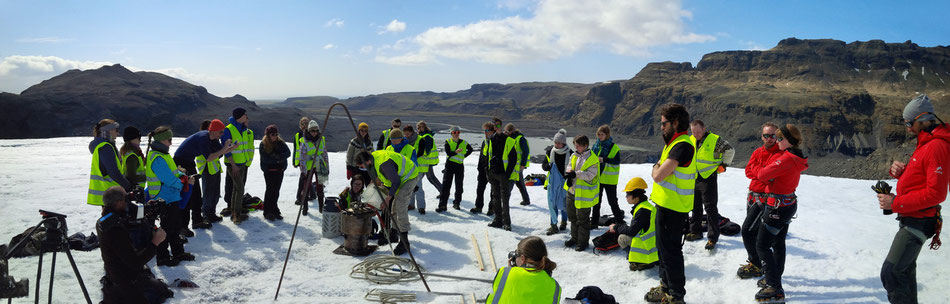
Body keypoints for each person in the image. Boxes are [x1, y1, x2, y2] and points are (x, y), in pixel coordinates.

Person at [877, 94, 949, 304]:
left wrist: (895, 203)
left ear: (923, 119)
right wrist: (903, 173)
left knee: (891, 273)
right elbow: (925, 177)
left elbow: (936, 193)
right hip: (915, 218)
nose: (908, 128)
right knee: (904, 272)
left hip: (919, 220)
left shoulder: (936, 146)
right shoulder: (926, 142)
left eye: (910, 123)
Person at [644, 103, 695, 304]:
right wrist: (657, 168)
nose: (661, 127)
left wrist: (656, 168)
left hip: (674, 208)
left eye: (664, 123)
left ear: (675, 123)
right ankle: (666, 287)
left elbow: (658, 175)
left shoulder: (682, 145)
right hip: (666, 205)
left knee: (671, 252)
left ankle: (675, 296)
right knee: (663, 249)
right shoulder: (673, 143)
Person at [753, 124, 808, 302]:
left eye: (779, 138)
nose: (776, 141)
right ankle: (774, 279)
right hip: (787, 204)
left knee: (762, 245)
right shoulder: (794, 157)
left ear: (788, 140)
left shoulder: (785, 159)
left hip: (777, 206)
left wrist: (762, 172)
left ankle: (774, 287)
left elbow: (761, 175)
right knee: (778, 243)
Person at [97, 186, 171, 303]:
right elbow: (134, 262)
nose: (128, 201)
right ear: (118, 203)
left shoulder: (107, 218)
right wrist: (155, 242)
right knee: (157, 293)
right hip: (125, 279)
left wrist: (146, 208)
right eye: (125, 199)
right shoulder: (114, 229)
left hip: (115, 272)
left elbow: (129, 214)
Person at [144, 126, 196, 267]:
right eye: (169, 140)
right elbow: (169, 179)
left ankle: (178, 252)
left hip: (170, 197)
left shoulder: (164, 155)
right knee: (166, 229)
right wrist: (184, 185)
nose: (171, 143)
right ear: (161, 140)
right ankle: (163, 257)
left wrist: (183, 176)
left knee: (174, 227)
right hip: (163, 199)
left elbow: (174, 173)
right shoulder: (157, 157)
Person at [738, 122, 781, 280]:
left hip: (764, 199)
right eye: (766, 135)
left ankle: (757, 263)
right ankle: (759, 263)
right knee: (755, 232)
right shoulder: (758, 152)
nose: (769, 138)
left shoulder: (780, 155)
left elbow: (770, 176)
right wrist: (761, 172)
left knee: (747, 230)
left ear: (777, 136)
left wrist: (761, 173)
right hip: (753, 196)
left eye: (772, 135)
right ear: (761, 136)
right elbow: (748, 171)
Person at [356, 150, 420, 255]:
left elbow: (396, 181)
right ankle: (394, 234)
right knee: (394, 206)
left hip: (409, 176)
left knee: (400, 206)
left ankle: (404, 242)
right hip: (399, 177)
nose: (362, 168)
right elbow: (381, 178)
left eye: (362, 165)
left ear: (367, 161)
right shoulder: (374, 159)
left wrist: (388, 197)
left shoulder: (384, 164)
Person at [685, 120, 735, 250]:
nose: (695, 134)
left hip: (708, 178)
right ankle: (695, 232)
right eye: (693, 131)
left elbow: (730, 150)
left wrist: (723, 165)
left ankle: (712, 238)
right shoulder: (690, 139)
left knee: (710, 208)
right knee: (695, 207)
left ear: (704, 129)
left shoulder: (715, 140)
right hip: (695, 177)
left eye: (698, 131)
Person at [173, 121, 231, 230]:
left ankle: (197, 221)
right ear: (213, 131)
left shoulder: (212, 138)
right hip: (181, 163)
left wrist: (231, 147)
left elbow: (219, 153)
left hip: (189, 162)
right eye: (221, 132)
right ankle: (184, 226)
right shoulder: (203, 137)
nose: (222, 134)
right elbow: (209, 158)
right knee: (189, 193)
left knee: (195, 194)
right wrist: (224, 148)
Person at [486, 236, 561, 303]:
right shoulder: (555, 287)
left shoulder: (505, 273)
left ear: (522, 258)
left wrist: (510, 271)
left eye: (516, 255)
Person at [609, 177, 658, 271]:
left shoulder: (642, 211)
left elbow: (631, 231)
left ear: (636, 196)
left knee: (622, 238)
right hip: (655, 246)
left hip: (648, 248)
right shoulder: (647, 206)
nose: (626, 197)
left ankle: (640, 261)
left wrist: (616, 227)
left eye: (628, 194)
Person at [563, 134, 600, 251]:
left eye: (578, 146)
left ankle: (583, 242)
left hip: (584, 195)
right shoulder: (574, 155)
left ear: (585, 146)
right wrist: (569, 176)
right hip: (572, 192)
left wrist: (576, 174)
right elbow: (569, 166)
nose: (576, 148)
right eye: (575, 145)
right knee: (573, 218)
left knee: (583, 220)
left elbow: (590, 175)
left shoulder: (592, 159)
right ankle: (574, 238)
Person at [89, 119, 132, 206]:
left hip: (109, 193)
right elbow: (113, 172)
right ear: (109, 130)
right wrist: (128, 186)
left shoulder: (103, 146)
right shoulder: (106, 147)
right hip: (113, 195)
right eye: (116, 130)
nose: (118, 133)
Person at [222, 107, 254, 224]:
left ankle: (234, 211)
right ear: (240, 116)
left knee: (236, 188)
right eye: (245, 114)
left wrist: (245, 162)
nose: (246, 116)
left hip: (242, 164)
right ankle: (236, 215)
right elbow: (226, 149)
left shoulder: (243, 129)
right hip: (233, 165)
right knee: (240, 188)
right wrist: (233, 165)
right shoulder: (228, 130)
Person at [199, 119, 232, 225]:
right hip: (206, 168)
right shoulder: (203, 140)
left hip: (214, 168)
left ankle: (211, 213)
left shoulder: (214, 140)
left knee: (215, 193)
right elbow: (211, 156)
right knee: (208, 193)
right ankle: (206, 215)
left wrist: (229, 148)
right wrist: (224, 149)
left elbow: (219, 152)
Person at [487, 123, 518, 231]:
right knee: (495, 197)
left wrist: (507, 174)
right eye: (495, 125)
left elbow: (513, 158)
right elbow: (487, 155)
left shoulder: (508, 140)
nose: (497, 127)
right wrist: (488, 171)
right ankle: (497, 220)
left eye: (499, 125)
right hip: (493, 173)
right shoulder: (491, 139)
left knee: (505, 199)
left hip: (503, 174)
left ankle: (506, 223)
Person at [591, 125, 623, 229]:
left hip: (610, 180)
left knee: (612, 202)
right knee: (596, 202)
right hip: (598, 178)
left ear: (607, 134)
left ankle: (620, 223)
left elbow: (617, 161)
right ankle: (594, 223)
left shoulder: (614, 147)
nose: (600, 136)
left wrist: (605, 160)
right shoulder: (596, 146)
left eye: (602, 134)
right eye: (599, 134)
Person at [541, 129, 572, 235]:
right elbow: (544, 165)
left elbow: (573, 167)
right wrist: (547, 167)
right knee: (552, 203)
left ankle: (564, 222)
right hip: (552, 183)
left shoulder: (570, 153)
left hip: (565, 182)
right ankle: (553, 225)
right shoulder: (550, 152)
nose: (557, 144)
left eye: (559, 142)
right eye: (555, 142)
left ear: (564, 143)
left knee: (564, 203)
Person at [438, 126, 473, 212]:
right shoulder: (448, 141)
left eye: (458, 132)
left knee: (459, 186)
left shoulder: (464, 142)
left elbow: (470, 149)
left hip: (459, 166)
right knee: (446, 186)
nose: (456, 134)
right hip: (450, 165)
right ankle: (442, 205)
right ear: (451, 134)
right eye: (454, 132)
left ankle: (457, 203)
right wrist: (455, 152)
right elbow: (448, 153)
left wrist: (464, 156)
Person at [259, 124, 291, 221]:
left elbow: (288, 153)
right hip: (269, 171)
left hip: (279, 170)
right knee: (270, 190)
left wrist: (276, 157)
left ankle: (274, 209)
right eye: (273, 134)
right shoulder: (263, 144)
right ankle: (267, 211)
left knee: (276, 191)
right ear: (268, 135)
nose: (275, 136)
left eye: (276, 134)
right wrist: (278, 159)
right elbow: (265, 159)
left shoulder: (280, 142)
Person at [297, 120, 328, 215]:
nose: (314, 132)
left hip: (319, 165)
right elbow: (302, 157)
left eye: (316, 130)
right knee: (306, 187)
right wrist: (303, 170)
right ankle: (305, 207)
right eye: (312, 131)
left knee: (320, 187)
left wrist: (326, 167)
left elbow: (324, 154)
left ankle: (321, 206)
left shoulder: (321, 139)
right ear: (309, 131)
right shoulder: (305, 141)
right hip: (309, 167)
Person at [416, 121, 443, 206]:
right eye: (418, 127)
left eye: (419, 127)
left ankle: (443, 192)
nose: (418, 129)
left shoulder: (426, 136)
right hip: (425, 161)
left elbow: (426, 150)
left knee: (430, 178)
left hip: (426, 161)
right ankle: (443, 192)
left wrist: (420, 155)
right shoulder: (425, 135)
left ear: (423, 127)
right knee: (428, 178)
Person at [504, 123, 531, 206]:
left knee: (510, 183)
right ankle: (526, 200)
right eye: (505, 131)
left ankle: (505, 202)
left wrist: (523, 164)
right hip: (512, 164)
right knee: (520, 183)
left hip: (518, 165)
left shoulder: (520, 138)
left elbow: (525, 151)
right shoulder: (510, 138)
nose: (506, 133)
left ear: (512, 130)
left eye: (507, 131)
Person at [471, 122, 494, 214]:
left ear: (493, 131)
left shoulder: (496, 141)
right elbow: (482, 156)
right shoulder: (485, 142)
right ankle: (478, 206)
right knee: (480, 188)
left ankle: (492, 208)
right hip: (483, 170)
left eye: (487, 130)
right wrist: (479, 169)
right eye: (484, 130)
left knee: (493, 191)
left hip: (493, 170)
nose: (485, 132)